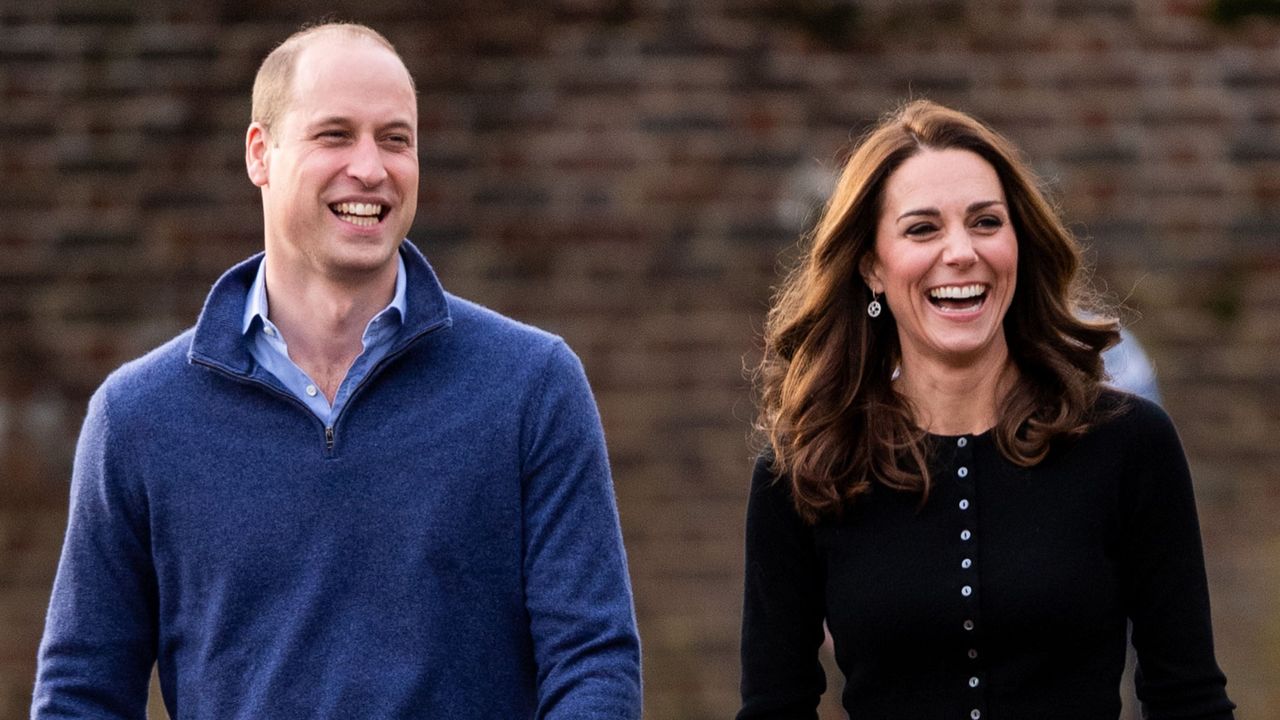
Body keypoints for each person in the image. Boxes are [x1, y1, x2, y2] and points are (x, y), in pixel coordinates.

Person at [33, 22, 641, 719]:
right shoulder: (138, 419)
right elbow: (82, 694)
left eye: (395, 139)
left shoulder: (532, 388)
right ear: (261, 154)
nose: (372, 167)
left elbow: (593, 663)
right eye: (335, 135)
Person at [739, 100, 1233, 719]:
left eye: (985, 222)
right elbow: (773, 707)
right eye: (922, 229)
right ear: (871, 266)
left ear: (1019, 244)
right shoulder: (807, 469)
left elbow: (1188, 699)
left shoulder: (1128, 443)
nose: (960, 252)